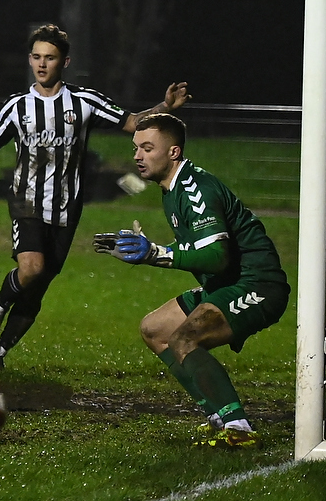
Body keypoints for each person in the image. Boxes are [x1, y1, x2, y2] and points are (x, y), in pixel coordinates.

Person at [0, 24, 189, 371]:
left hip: (66, 210)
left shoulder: (84, 102)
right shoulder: (17, 106)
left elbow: (133, 122)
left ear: (65, 62)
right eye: (37, 57)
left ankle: (0, 352)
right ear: (30, 60)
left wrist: (166, 106)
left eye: (50, 58)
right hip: (27, 202)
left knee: (38, 286)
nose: (42, 64)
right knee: (32, 268)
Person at [94, 114, 289, 448]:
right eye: (136, 148)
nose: (137, 156)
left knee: (185, 338)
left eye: (147, 148)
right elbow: (199, 251)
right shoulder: (171, 188)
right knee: (155, 330)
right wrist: (153, 252)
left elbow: (217, 257)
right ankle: (217, 415)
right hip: (226, 284)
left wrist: (156, 253)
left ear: (173, 152)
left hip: (257, 285)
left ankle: (239, 429)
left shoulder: (194, 188)